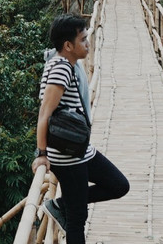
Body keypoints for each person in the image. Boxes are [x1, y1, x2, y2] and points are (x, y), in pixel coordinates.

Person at [33, 14, 129, 243]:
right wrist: (42, 154)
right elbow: (44, 114)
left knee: (119, 185)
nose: (88, 44)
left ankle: (62, 203)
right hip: (68, 156)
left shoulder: (65, 64)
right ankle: (67, 205)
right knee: (77, 219)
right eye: (83, 40)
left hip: (80, 150)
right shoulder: (61, 69)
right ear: (68, 45)